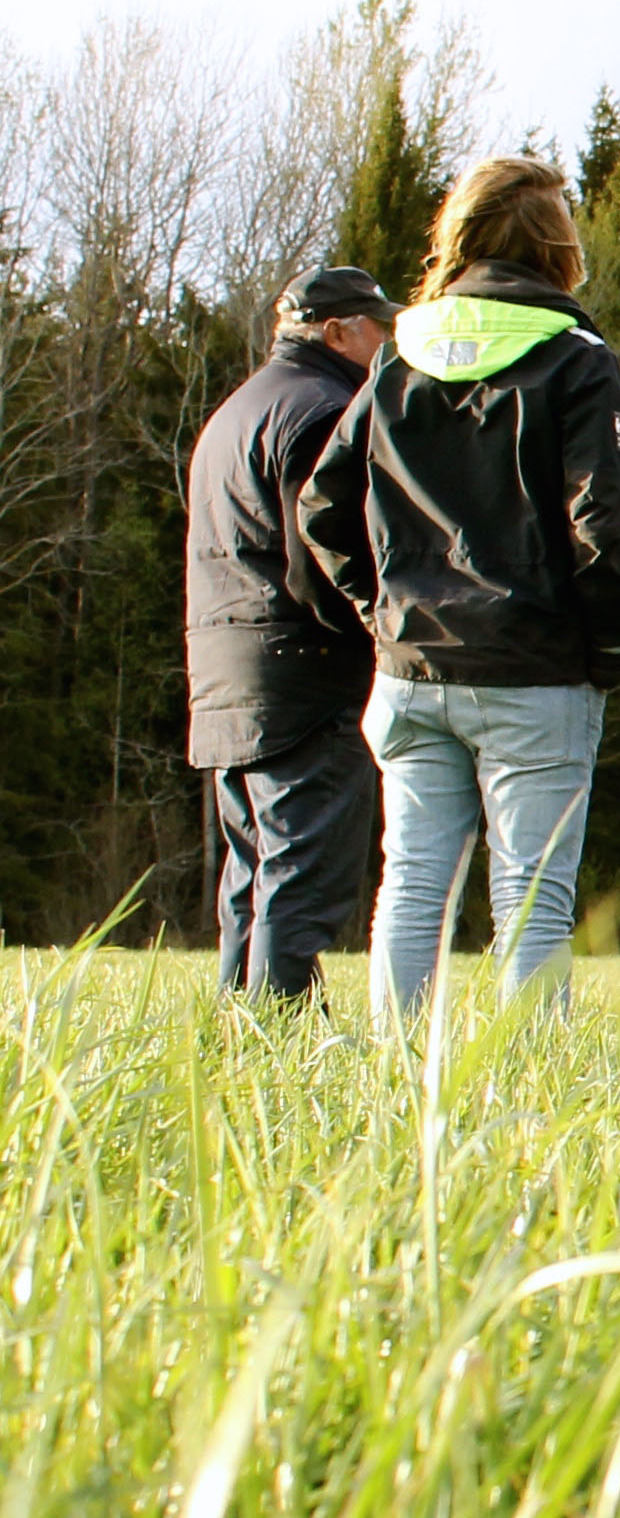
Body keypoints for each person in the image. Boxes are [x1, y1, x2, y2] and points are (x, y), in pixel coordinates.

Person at [299, 160, 620, 1021]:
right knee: (532, 897)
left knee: (413, 885)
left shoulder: (398, 357)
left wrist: (380, 613)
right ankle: (525, 1094)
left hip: (412, 667)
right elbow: (603, 525)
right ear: (557, 246)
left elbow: (321, 507)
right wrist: (607, 651)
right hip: (536, 671)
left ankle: (395, 1075)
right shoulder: (577, 359)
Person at [184, 264, 397, 1001]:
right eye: (378, 327)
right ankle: (278, 1040)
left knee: (251, 877)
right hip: (302, 677)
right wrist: (376, 631)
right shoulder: (322, 411)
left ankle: (238, 1035)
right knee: (302, 883)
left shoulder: (236, 411)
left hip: (224, 676)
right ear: (337, 331)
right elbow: (322, 555)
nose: (386, 343)